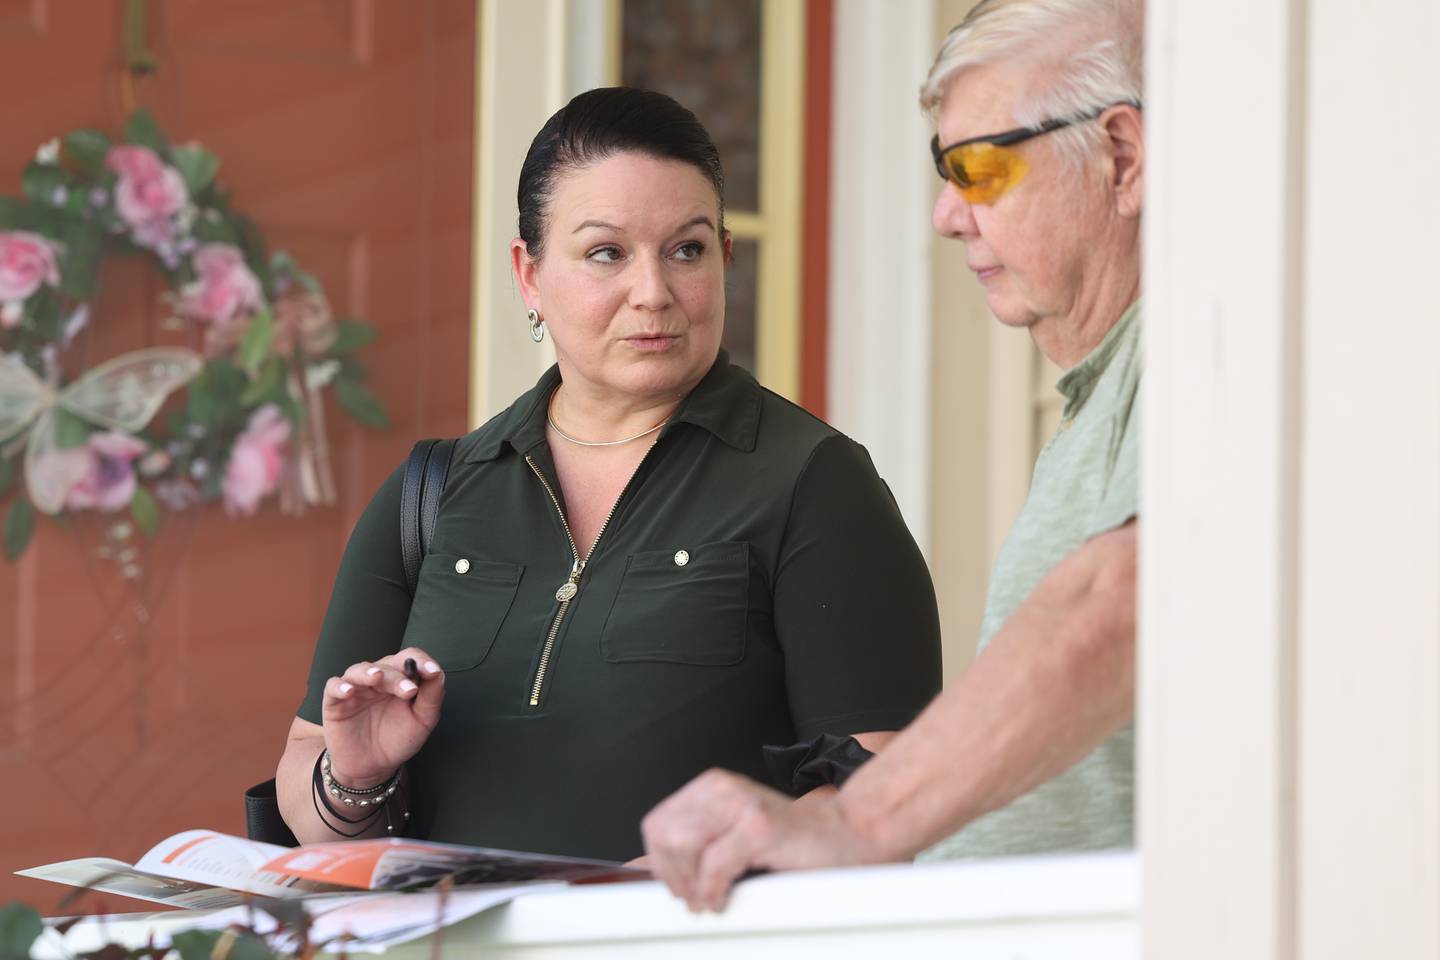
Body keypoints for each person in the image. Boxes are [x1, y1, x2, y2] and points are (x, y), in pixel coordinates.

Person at [274, 87, 942, 862]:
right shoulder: (431, 494)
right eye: (606, 253)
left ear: (725, 258)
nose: (653, 292)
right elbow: (309, 787)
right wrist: (354, 776)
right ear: (529, 275)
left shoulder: (813, 482)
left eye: (687, 250)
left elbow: (885, 788)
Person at [641, 0, 1145, 909]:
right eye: (940, 171)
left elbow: (1121, 602)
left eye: (980, 168)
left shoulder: (1198, 350)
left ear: (1122, 156)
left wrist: (854, 821)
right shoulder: (1097, 396)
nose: (947, 214)